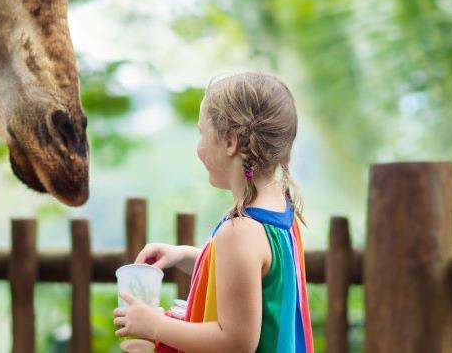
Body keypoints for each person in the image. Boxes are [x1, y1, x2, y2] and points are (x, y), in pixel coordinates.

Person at [113, 72, 314, 353]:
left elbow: (235, 342)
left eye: (201, 133)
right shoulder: (279, 208)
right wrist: (184, 255)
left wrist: (156, 326)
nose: (198, 146)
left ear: (230, 141)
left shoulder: (241, 231)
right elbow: (250, 280)